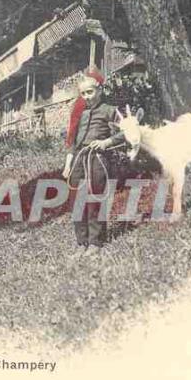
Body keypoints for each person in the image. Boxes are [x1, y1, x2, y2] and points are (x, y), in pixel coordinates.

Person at [62, 70, 125, 256]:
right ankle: (81, 243)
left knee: (95, 199)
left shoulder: (110, 110)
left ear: (99, 90)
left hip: (98, 159)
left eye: (90, 92)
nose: (87, 97)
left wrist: (107, 142)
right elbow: (72, 142)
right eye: (83, 93)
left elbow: (127, 132)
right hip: (78, 161)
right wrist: (67, 165)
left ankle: (95, 242)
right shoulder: (80, 114)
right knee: (77, 201)